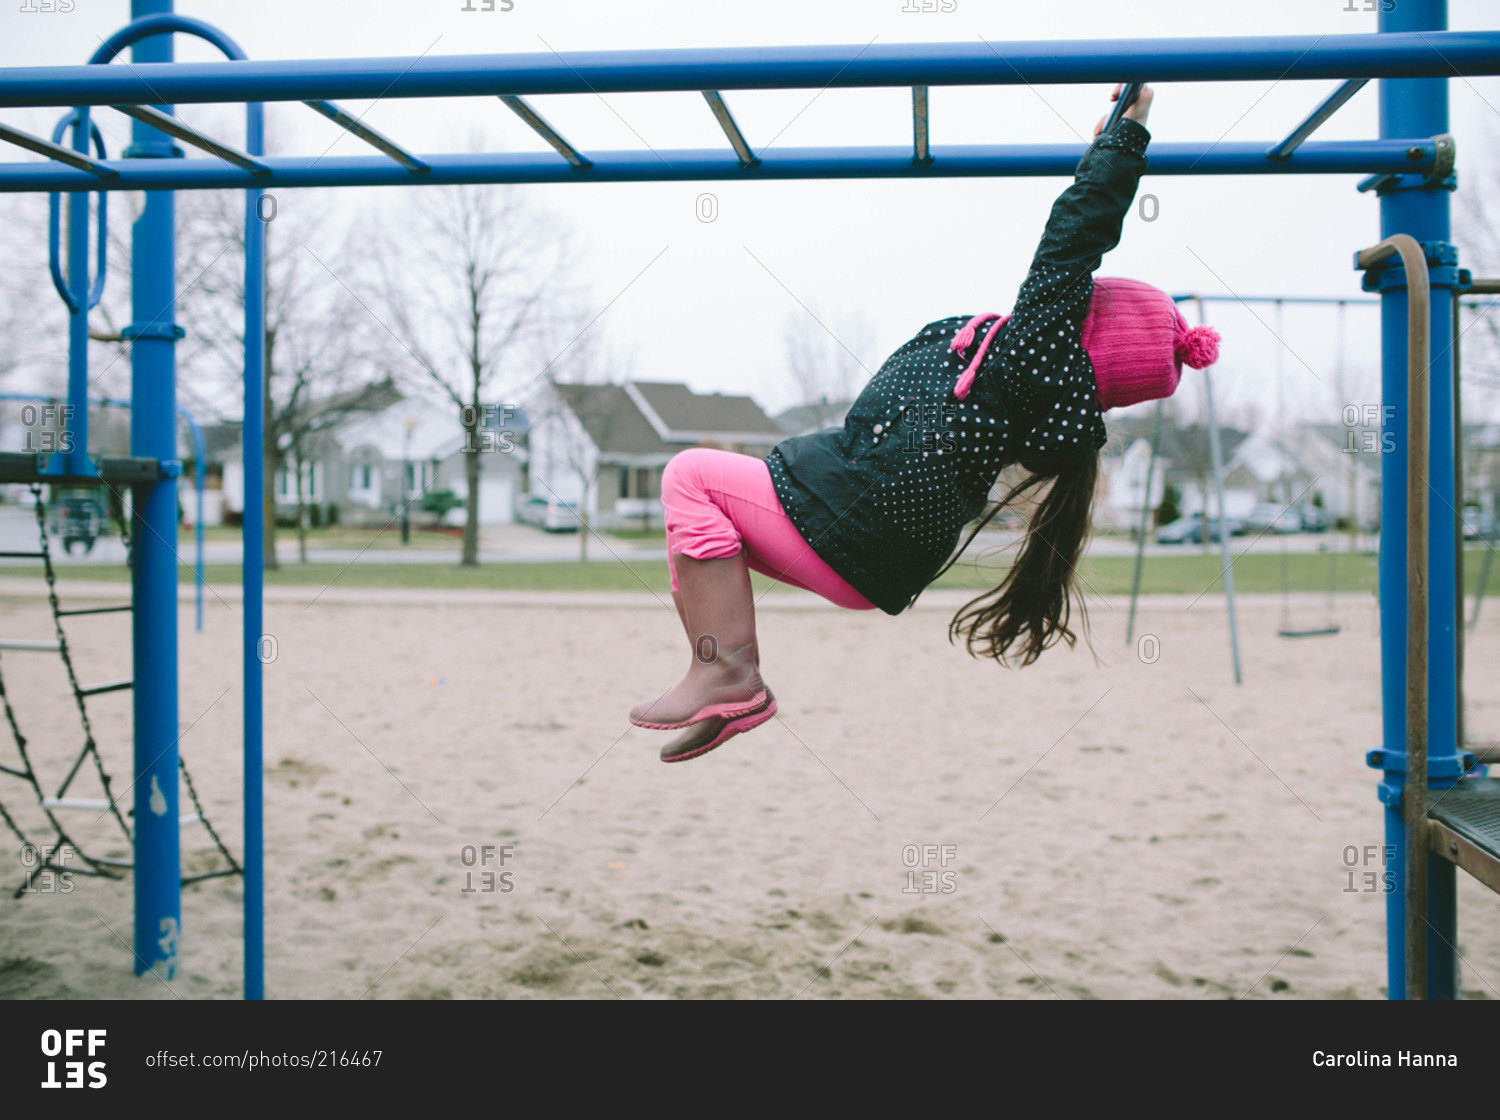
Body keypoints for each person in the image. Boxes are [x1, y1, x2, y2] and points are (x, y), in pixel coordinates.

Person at [632, 83, 1219, 763]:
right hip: (867, 551)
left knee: (690, 476)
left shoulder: (1038, 349)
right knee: (704, 530)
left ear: (1084, 326)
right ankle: (724, 681)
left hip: (854, 515)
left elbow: (1076, 233)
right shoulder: (1040, 391)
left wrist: (1124, 136)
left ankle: (726, 672)